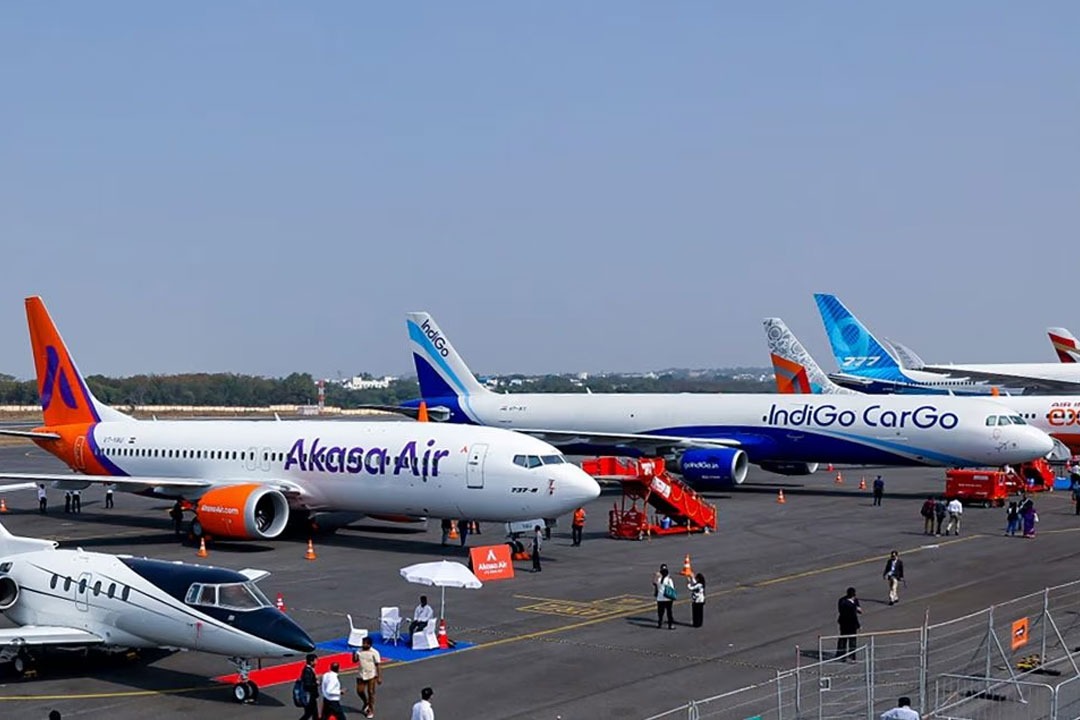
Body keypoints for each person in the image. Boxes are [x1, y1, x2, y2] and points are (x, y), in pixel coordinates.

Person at [352, 636, 381, 718]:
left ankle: (370, 710)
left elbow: (378, 665)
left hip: (371, 674)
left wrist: (379, 677)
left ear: (369, 644)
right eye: (363, 643)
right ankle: (366, 702)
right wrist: (353, 654)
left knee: (371, 692)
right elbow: (354, 661)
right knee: (359, 691)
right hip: (361, 674)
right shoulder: (359, 651)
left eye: (365, 643)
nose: (363, 645)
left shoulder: (375, 652)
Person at [836, 586, 862, 661]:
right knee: (849, 640)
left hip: (844, 622)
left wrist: (857, 609)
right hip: (848, 623)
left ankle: (844, 655)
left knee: (845, 639)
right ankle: (847, 655)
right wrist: (858, 625)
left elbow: (858, 609)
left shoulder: (843, 600)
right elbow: (853, 616)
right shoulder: (847, 604)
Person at [297, 653, 320, 720]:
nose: (317, 662)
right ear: (311, 662)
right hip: (309, 696)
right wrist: (316, 683)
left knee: (314, 713)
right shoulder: (307, 671)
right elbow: (308, 684)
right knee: (309, 713)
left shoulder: (310, 669)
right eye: (315, 660)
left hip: (312, 696)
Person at [654, 563, 676, 629]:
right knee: (669, 612)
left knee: (660, 612)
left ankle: (660, 623)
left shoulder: (658, 579)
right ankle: (670, 625)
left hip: (660, 598)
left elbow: (654, 583)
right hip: (668, 598)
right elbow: (672, 588)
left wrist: (656, 576)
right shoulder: (669, 580)